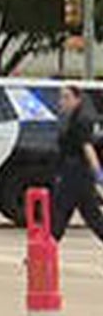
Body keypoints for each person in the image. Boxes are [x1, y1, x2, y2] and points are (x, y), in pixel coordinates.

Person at [51, 83, 103, 245]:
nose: (62, 101)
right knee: (79, 215)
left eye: (67, 97)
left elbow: (87, 147)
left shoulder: (81, 120)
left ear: (77, 99)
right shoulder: (71, 118)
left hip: (77, 174)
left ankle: (45, 249)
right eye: (61, 97)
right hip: (71, 173)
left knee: (67, 213)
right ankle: (45, 250)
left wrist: (98, 173)